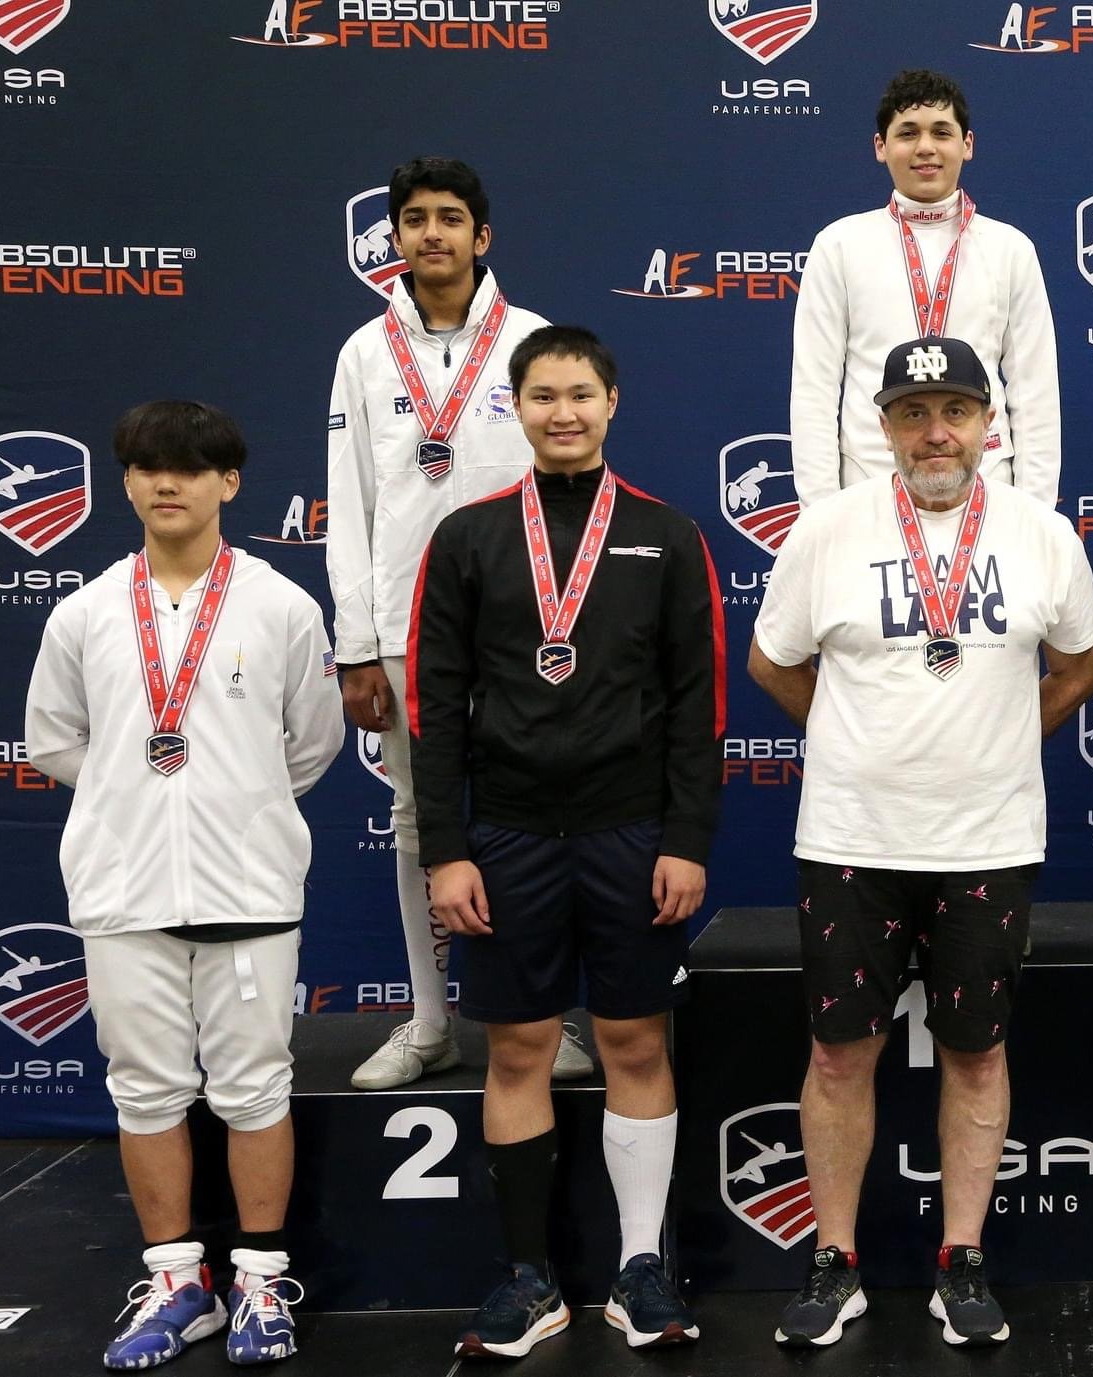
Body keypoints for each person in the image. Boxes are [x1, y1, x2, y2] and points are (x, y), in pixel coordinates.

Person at [749, 335, 1093, 1348]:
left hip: (986, 840)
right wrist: (854, 739)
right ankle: (834, 1260)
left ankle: (962, 1259)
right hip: (852, 837)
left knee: (978, 1056)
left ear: (990, 425)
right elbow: (773, 665)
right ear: (884, 427)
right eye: (912, 413)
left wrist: (997, 740)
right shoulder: (826, 531)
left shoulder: (1043, 535)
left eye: (954, 410)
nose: (934, 431)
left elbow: (1079, 664)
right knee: (836, 1053)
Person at [409, 326, 725, 1359]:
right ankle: (528, 1281)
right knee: (519, 1051)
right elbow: (434, 708)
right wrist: (445, 852)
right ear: (516, 406)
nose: (561, 412)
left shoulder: (666, 535)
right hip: (502, 838)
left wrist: (684, 839)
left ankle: (641, 1272)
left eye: (579, 394)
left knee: (634, 1042)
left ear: (611, 401)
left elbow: (695, 707)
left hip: (630, 835)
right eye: (541, 395)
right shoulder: (466, 538)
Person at [26, 401, 343, 1369]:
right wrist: (140, 792)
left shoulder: (281, 605)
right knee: (146, 1091)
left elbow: (315, 742)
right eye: (147, 467)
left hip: (247, 884)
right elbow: (53, 741)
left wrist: (227, 800)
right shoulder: (83, 611)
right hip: (123, 887)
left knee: (253, 1090)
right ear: (124, 482)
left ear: (228, 483)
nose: (168, 483)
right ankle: (174, 1283)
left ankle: (259, 1283)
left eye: (190, 467)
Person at [324, 155, 590, 1090]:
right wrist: (358, 645)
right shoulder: (363, 353)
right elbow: (348, 505)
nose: (430, 234)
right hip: (405, 628)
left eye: (449, 218)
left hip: (526, 628)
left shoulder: (530, 342)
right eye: (413, 219)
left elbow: (567, 489)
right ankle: (430, 1018)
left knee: (531, 816)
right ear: (392, 238)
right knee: (414, 820)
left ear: (483, 236)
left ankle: (544, 1017)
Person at [790, 69, 1061, 507]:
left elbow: (1036, 391)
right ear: (881, 147)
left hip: (986, 480)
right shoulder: (839, 245)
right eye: (907, 133)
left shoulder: (1010, 248)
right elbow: (814, 389)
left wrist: (1035, 512)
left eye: (941, 132)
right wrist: (821, 513)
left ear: (966, 144)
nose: (926, 148)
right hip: (870, 482)